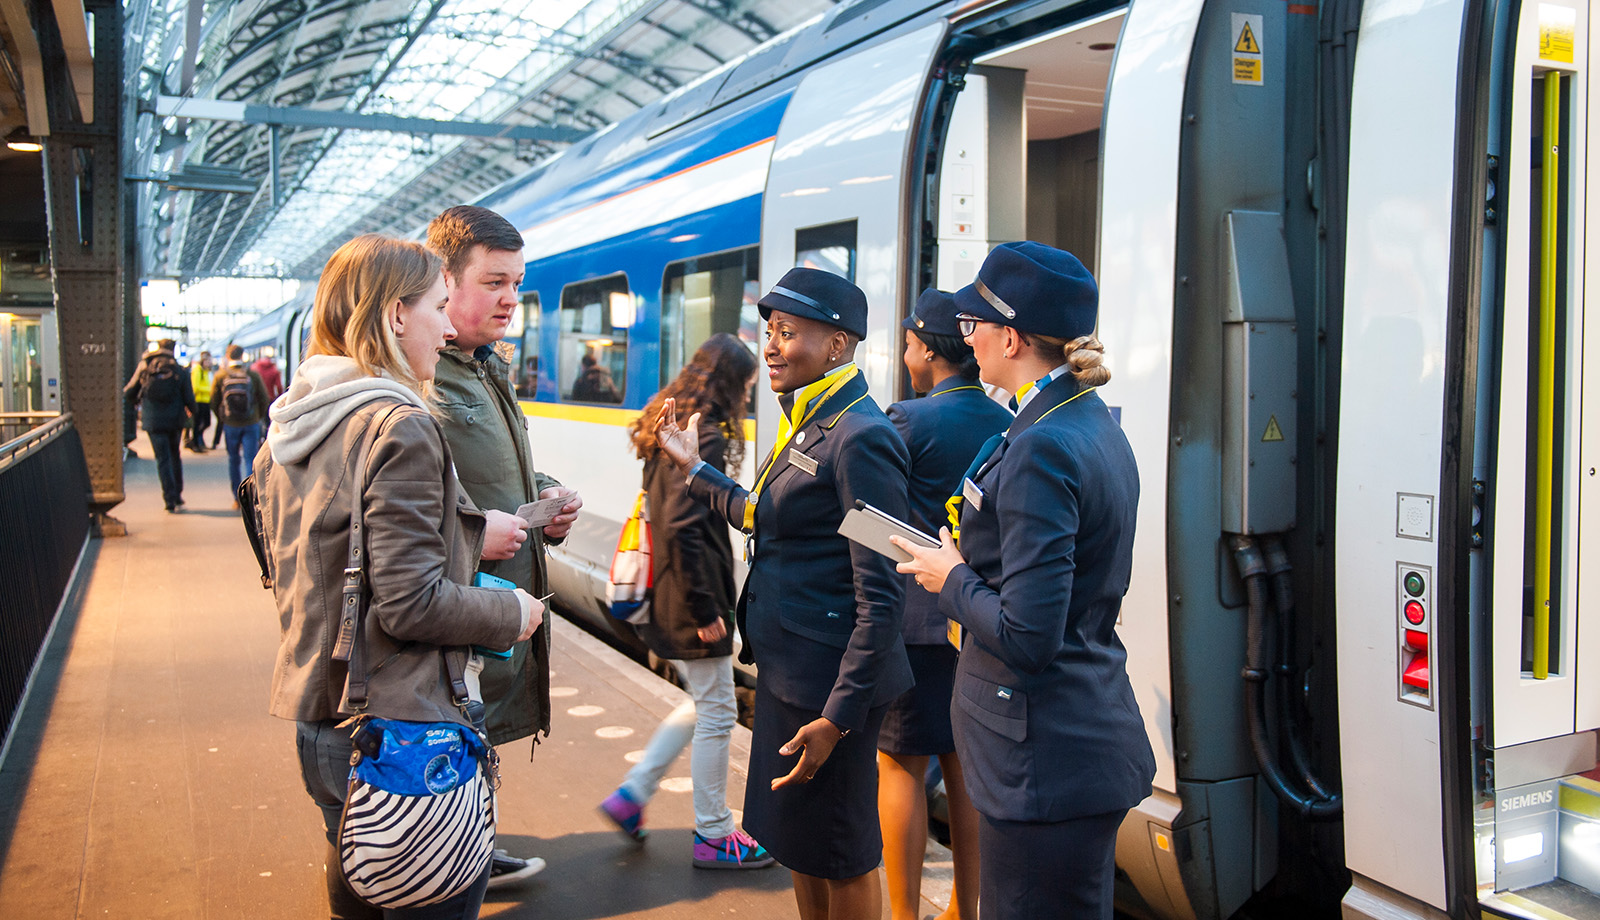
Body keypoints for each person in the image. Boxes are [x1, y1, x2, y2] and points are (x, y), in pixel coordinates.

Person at [256, 234, 542, 920]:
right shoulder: (399, 425)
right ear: (392, 317)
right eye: (439, 308)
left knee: (359, 901)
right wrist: (514, 614)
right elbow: (411, 604)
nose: (448, 329)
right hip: (401, 725)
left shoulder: (296, 422)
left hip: (320, 714)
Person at [893, 242, 1157, 920]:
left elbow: (1028, 635)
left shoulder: (1043, 444)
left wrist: (950, 577)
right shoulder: (1085, 421)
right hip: (1072, 742)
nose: (966, 337)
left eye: (973, 324)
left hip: (1041, 758)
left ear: (1009, 337)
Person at [655, 267, 913, 920]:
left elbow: (880, 597)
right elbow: (764, 515)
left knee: (842, 850)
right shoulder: (809, 425)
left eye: (788, 332)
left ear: (838, 345)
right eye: (769, 330)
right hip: (787, 672)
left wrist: (839, 717)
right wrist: (696, 467)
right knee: (799, 843)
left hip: (830, 688)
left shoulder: (863, 439)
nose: (770, 345)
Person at [426, 205, 583, 887]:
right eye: (494, 283)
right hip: (453, 605)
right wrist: (470, 532)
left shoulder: (483, 367)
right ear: (443, 280)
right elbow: (388, 499)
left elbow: (485, 466)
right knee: (451, 729)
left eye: (516, 284)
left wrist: (544, 493)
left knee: (473, 727)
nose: (510, 301)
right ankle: (447, 860)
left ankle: (472, 846)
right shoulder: (421, 372)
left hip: (489, 604)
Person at [598, 333, 774, 870]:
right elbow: (686, 523)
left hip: (670, 589)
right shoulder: (709, 433)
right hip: (688, 597)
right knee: (719, 709)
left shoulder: (670, 426)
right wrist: (707, 612)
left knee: (706, 699)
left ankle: (632, 795)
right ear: (732, 384)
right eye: (746, 385)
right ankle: (714, 834)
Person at [878, 289, 1008, 920]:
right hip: (978, 618)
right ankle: (964, 908)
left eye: (908, 344)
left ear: (928, 350)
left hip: (915, 623)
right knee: (967, 771)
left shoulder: (907, 420)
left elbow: (875, 520)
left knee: (900, 763)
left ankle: (904, 914)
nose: (904, 355)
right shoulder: (1006, 422)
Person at [123, 337, 196, 513]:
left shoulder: (145, 367)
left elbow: (128, 392)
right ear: (174, 349)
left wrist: (140, 403)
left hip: (153, 420)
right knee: (174, 456)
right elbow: (189, 399)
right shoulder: (179, 369)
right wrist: (193, 415)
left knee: (162, 459)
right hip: (175, 420)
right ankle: (178, 495)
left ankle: (169, 499)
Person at [213, 344, 271, 505]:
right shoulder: (252, 374)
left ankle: (236, 497)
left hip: (231, 424)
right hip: (250, 423)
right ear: (242, 355)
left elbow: (214, 400)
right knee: (250, 458)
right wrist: (257, 417)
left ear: (227, 355)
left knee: (233, 459)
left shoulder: (221, 376)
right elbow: (264, 398)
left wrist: (223, 417)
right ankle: (250, 497)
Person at [187, 350, 214, 452]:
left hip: (206, 400)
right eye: (208, 360)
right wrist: (209, 390)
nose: (210, 362)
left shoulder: (206, 371)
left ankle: (197, 440)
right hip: (199, 400)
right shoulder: (198, 370)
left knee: (206, 422)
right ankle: (195, 443)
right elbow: (196, 387)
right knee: (197, 423)